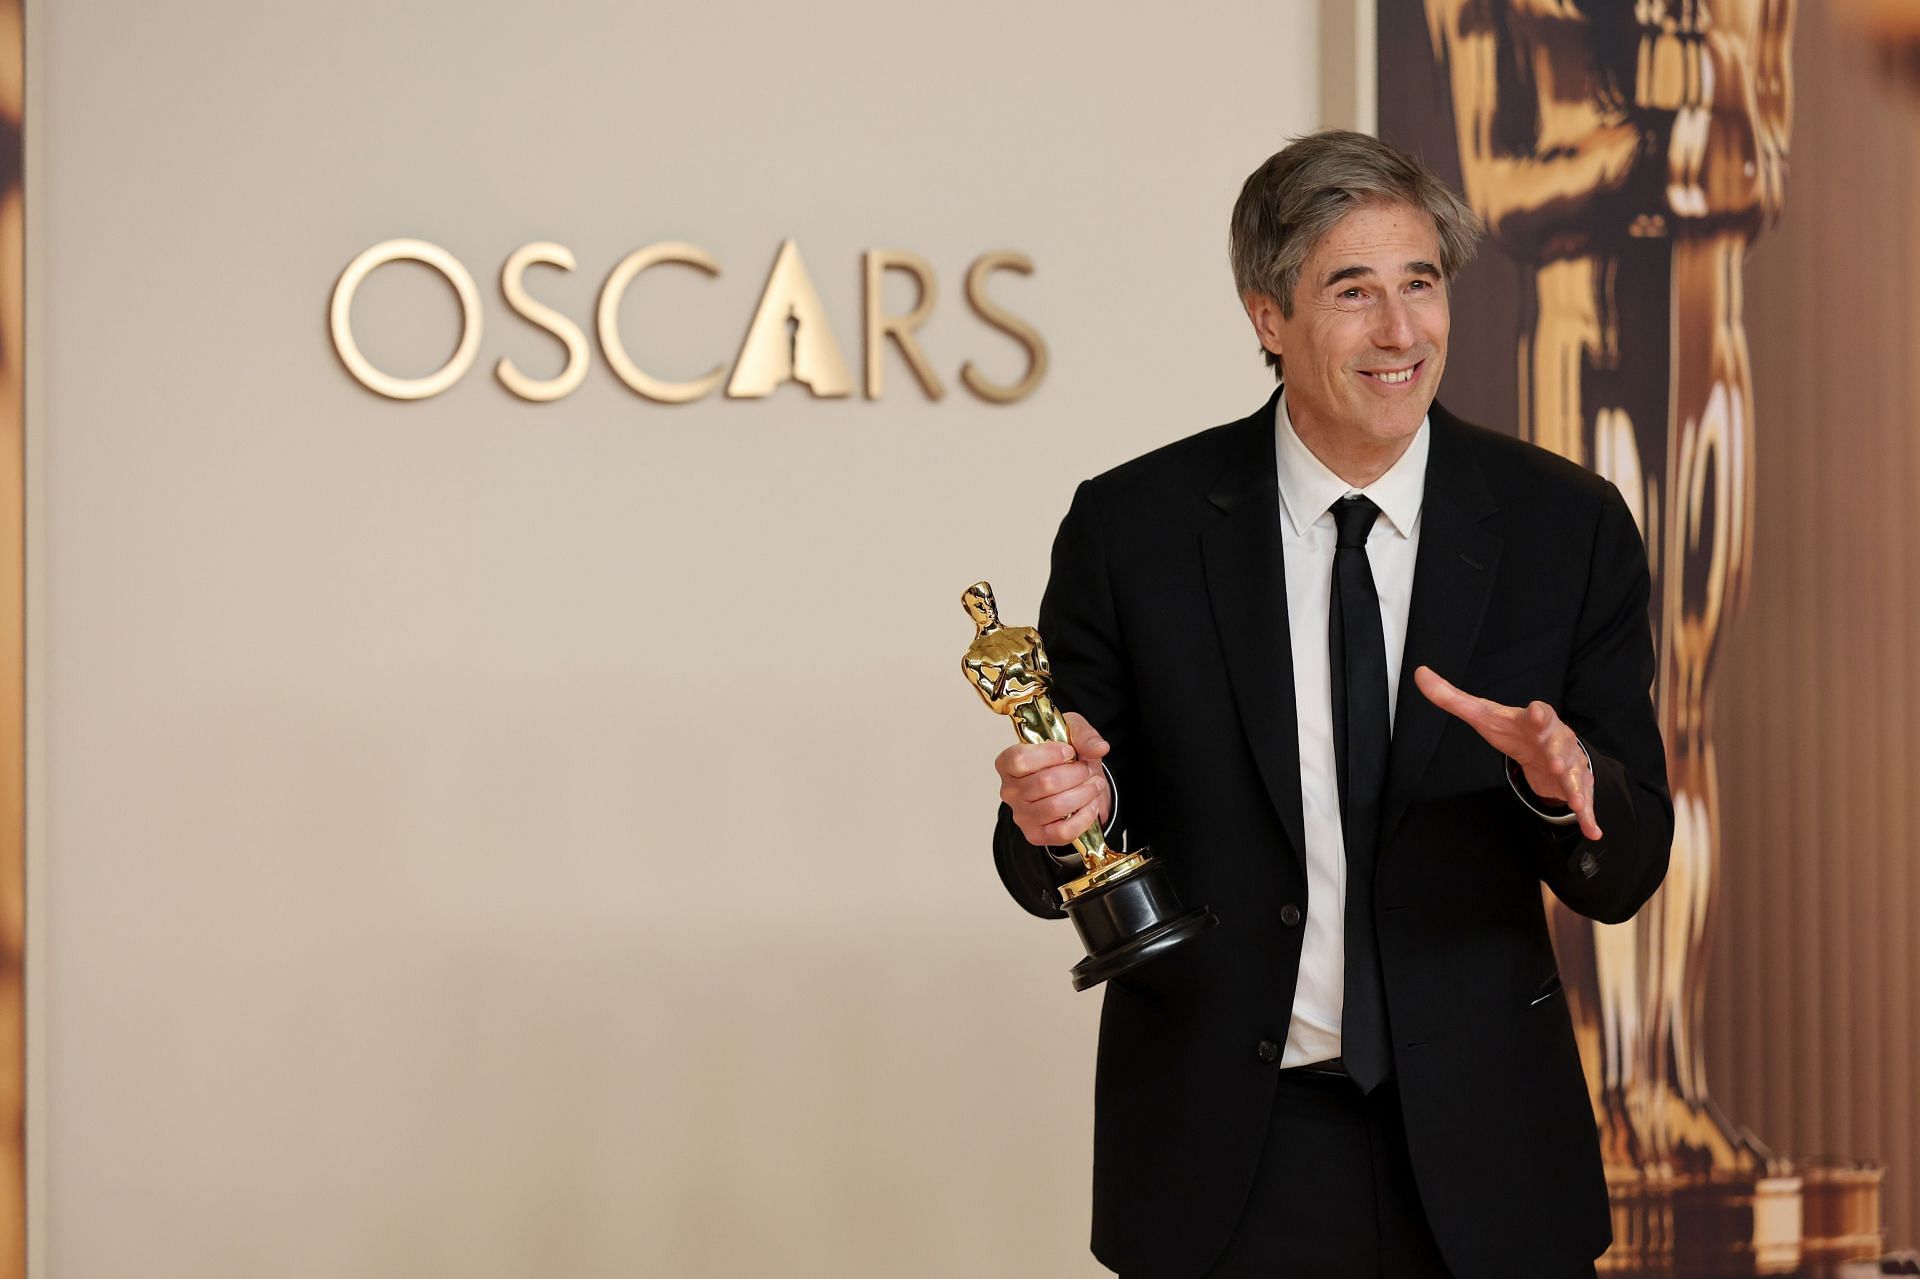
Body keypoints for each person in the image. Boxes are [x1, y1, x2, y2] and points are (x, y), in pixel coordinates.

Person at [988, 130, 1672, 1279]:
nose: (1402, 333)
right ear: (1268, 316)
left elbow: (1632, 864)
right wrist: (1058, 809)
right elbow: (1047, 865)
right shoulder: (1134, 528)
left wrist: (1565, 790)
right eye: (1354, 293)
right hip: (1225, 1160)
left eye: (1422, 284)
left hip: (1491, 1157)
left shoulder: (1568, 525)